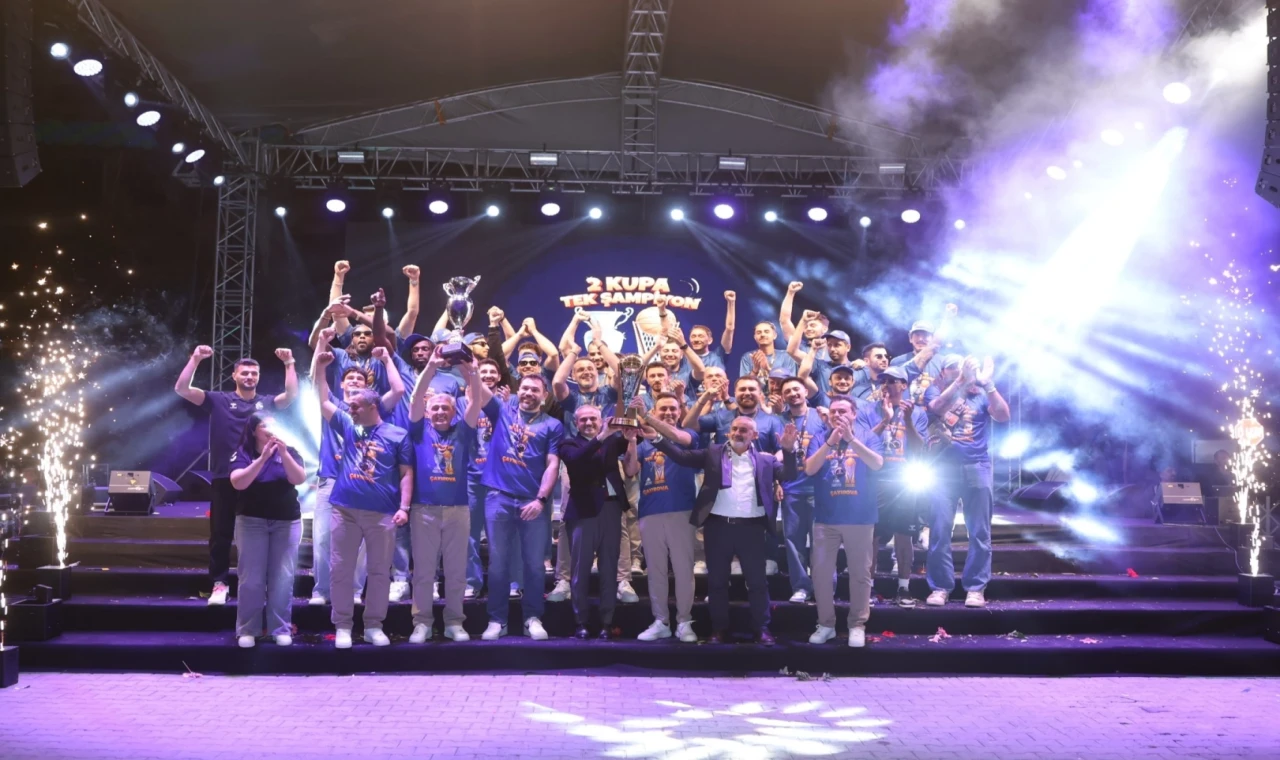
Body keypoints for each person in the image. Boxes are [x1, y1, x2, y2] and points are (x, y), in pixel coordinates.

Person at [652, 416, 798, 645]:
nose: (738, 433)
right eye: (735, 429)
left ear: (754, 435)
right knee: (717, 582)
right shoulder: (713, 452)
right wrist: (657, 439)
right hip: (718, 527)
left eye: (744, 430)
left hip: (751, 529)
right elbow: (682, 457)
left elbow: (789, 475)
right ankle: (719, 629)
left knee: (757, 583)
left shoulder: (766, 460)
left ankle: (762, 629)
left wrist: (789, 451)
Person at [174, 345, 298, 606]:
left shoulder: (266, 403)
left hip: (259, 478)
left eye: (254, 373)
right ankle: (219, 583)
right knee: (221, 533)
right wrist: (195, 359)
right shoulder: (218, 399)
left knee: (258, 534)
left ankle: (261, 584)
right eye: (245, 373)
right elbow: (182, 389)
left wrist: (289, 364)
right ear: (234, 376)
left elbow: (291, 395)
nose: (249, 377)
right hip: (224, 475)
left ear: (259, 377)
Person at [312, 348, 413, 649]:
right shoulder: (347, 425)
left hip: (382, 513)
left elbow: (406, 473)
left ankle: (373, 625)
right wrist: (320, 368)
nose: (351, 409)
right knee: (341, 569)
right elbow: (323, 401)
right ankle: (343, 625)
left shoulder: (397, 434)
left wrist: (404, 507)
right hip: (345, 510)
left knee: (379, 572)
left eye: (356, 406)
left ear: (372, 406)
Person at [406, 353, 491, 644]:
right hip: (424, 510)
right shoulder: (419, 430)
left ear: (454, 411)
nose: (440, 411)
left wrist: (474, 373)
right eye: (435, 407)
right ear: (427, 410)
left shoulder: (463, 432)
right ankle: (422, 622)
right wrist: (431, 366)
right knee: (424, 572)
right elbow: (415, 398)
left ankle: (454, 622)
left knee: (456, 571)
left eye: (446, 408)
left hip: (458, 510)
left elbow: (476, 403)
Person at [480, 374, 564, 640]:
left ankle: (532, 617)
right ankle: (497, 620)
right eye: (525, 388)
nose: (528, 393)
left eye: (535, 390)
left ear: (544, 395)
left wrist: (541, 500)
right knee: (498, 563)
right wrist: (470, 368)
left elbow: (552, 464)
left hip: (532, 501)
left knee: (535, 564)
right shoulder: (502, 412)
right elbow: (480, 391)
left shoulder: (553, 425)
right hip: (499, 496)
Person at [924, 355, 1010, 608]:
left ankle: (975, 587)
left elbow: (1003, 415)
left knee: (980, 531)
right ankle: (940, 587)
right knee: (939, 530)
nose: (958, 371)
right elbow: (937, 407)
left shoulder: (981, 393)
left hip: (977, 466)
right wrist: (960, 382)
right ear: (943, 372)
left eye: (961, 368)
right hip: (942, 470)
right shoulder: (935, 390)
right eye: (952, 368)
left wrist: (988, 384)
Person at [803, 396, 885, 648]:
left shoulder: (868, 436)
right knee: (821, 575)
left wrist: (851, 439)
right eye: (833, 412)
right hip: (825, 518)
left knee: (860, 574)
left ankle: (857, 624)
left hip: (860, 518)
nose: (837, 415)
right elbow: (809, 469)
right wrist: (830, 442)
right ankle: (826, 624)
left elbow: (877, 464)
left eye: (843, 411)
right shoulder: (819, 437)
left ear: (854, 414)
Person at [558, 405, 639, 639]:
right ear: (576, 423)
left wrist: (631, 437)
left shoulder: (613, 441)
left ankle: (607, 621)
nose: (588, 423)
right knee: (580, 570)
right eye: (583, 419)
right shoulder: (569, 444)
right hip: (583, 513)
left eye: (593, 418)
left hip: (612, 509)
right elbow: (577, 460)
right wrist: (603, 435)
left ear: (601, 419)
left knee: (609, 569)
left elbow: (636, 439)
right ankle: (581, 621)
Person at [228, 415, 307, 648]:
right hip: (251, 521)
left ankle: (280, 628)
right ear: (253, 431)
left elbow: (299, 478)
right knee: (251, 578)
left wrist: (283, 453)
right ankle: (247, 629)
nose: (270, 429)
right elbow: (238, 482)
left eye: (274, 425)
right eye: (264, 425)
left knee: (282, 578)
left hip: (286, 522)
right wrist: (263, 458)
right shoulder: (242, 453)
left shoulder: (290, 452)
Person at [635, 394, 701, 643]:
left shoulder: (688, 435)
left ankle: (684, 621)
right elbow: (631, 470)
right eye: (663, 409)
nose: (669, 413)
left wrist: (646, 416)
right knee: (656, 571)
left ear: (680, 412)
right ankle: (661, 621)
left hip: (681, 510)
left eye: (673, 409)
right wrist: (631, 440)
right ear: (656, 410)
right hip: (650, 511)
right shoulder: (644, 441)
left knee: (684, 570)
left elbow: (679, 438)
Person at [868, 366, 928, 607]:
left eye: (893, 381)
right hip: (876, 481)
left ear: (904, 385)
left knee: (904, 537)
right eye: (884, 380)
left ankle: (903, 588)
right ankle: (868, 588)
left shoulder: (917, 412)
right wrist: (885, 420)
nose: (887, 385)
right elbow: (862, 443)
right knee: (871, 537)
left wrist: (909, 421)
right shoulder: (869, 409)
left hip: (904, 482)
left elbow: (920, 447)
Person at [776, 376, 824, 604]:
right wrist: (776, 483)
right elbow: (771, 457)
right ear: (783, 396)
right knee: (793, 541)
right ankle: (801, 586)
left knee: (822, 542)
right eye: (788, 391)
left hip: (819, 488)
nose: (793, 394)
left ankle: (825, 585)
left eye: (796, 389)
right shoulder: (777, 420)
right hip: (791, 489)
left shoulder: (820, 416)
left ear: (806, 391)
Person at [686, 289, 734, 370]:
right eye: (693, 336)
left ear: (710, 340)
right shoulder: (683, 358)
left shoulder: (718, 356)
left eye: (700, 336)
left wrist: (731, 302)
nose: (696, 339)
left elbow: (729, 328)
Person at [738, 321, 797, 387]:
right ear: (755, 337)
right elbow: (743, 385)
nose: (762, 335)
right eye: (759, 332)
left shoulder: (786, 356)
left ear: (774, 335)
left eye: (766, 332)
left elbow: (791, 383)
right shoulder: (748, 357)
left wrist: (768, 369)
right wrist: (755, 371)